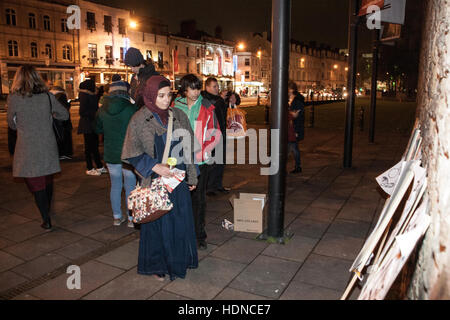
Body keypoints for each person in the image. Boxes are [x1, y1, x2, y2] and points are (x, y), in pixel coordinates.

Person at [121, 75, 199, 281]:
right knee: (157, 224)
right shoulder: (139, 119)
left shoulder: (179, 115)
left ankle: (178, 261)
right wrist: (155, 166)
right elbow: (130, 151)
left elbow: (189, 148)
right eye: (161, 95)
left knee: (179, 222)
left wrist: (192, 176)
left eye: (169, 95)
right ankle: (158, 265)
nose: (166, 100)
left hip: (178, 180)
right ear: (150, 95)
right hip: (154, 180)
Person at [7, 65, 69, 230]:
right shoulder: (47, 97)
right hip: (47, 144)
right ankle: (47, 211)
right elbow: (65, 114)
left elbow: (11, 124)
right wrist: (50, 115)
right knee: (47, 178)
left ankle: (46, 218)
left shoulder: (13, 98)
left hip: (27, 146)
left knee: (35, 182)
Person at [174, 74, 221, 250]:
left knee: (198, 200)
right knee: (180, 198)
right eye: (192, 88)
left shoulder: (207, 107)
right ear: (184, 89)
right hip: (180, 159)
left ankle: (199, 235)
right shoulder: (175, 106)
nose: (196, 92)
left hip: (200, 161)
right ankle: (181, 232)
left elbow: (215, 133)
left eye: (198, 88)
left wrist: (204, 150)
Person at [96, 80, 137, 227]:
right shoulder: (132, 108)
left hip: (111, 154)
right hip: (128, 154)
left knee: (115, 185)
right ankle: (132, 218)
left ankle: (117, 216)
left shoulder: (102, 110)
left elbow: (98, 129)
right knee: (131, 187)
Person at [201, 78, 230, 196]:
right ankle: (210, 187)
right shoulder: (207, 99)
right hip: (211, 134)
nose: (217, 88)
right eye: (214, 86)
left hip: (220, 132)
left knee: (220, 161)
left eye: (217, 86)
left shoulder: (218, 99)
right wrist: (221, 100)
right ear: (207, 87)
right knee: (212, 162)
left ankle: (217, 185)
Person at [78, 79, 106, 176]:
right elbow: (82, 112)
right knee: (89, 147)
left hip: (92, 124)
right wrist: (95, 113)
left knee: (94, 146)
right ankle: (89, 167)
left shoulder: (90, 95)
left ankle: (99, 166)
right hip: (87, 124)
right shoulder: (84, 96)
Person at [50, 86, 73, 160]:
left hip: (55, 121)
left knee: (58, 137)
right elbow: (64, 109)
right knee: (64, 137)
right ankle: (64, 153)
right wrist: (69, 104)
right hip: (62, 122)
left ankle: (60, 153)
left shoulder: (51, 97)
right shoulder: (61, 96)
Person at [288, 81, 305, 173]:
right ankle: (297, 166)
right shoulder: (290, 100)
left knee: (293, 148)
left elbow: (298, 116)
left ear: (291, 90)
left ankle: (298, 167)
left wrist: (297, 131)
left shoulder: (297, 102)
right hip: (290, 129)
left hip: (294, 129)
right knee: (292, 148)